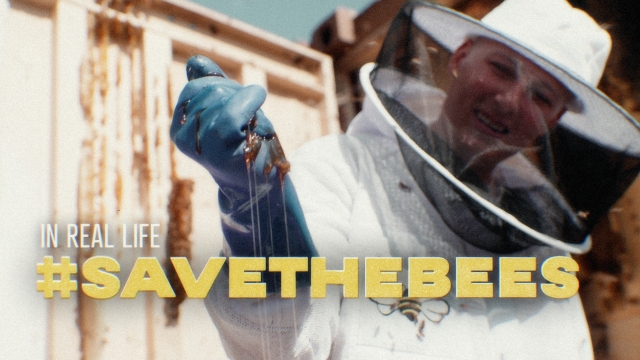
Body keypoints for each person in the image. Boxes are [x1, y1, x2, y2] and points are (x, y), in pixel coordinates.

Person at [170, 0, 640, 358]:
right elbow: (280, 343)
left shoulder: (543, 261)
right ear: (461, 57)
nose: (511, 100)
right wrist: (261, 223)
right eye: (501, 68)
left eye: (541, 95)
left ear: (554, 120)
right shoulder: (343, 168)